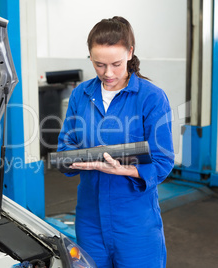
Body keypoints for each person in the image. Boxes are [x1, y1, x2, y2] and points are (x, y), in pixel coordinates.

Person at [57, 16, 174, 267]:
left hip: (135, 222)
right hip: (90, 219)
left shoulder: (151, 98)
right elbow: (65, 148)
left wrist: (124, 169)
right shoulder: (81, 95)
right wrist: (83, 158)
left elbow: (163, 161)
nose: (108, 73)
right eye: (99, 65)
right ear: (90, 57)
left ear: (130, 53)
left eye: (116, 64)